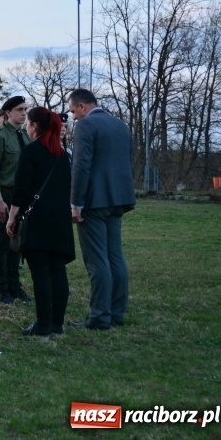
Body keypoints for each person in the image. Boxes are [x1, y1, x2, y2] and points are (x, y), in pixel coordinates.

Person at [67, 89, 136, 330]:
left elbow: (81, 165)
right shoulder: (121, 126)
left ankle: (99, 316)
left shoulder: (86, 126)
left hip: (94, 202)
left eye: (73, 111)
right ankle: (116, 312)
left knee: (97, 260)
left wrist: (76, 203)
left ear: (82, 107)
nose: (73, 117)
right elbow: (128, 161)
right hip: (118, 198)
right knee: (115, 256)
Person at [5, 107, 74, 336]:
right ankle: (57, 324)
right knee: (58, 272)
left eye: (29, 122)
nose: (26, 125)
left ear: (35, 126)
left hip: (38, 219)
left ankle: (43, 324)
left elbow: (21, 189)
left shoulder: (31, 152)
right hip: (60, 220)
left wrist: (12, 218)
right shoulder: (63, 155)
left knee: (41, 273)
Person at [0, 95, 32, 304]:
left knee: (17, 242)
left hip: (19, 195)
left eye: (25, 109)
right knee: (2, 243)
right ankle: (0, 288)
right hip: (3, 195)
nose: (24, 113)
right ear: (8, 113)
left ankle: (15, 286)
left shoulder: (23, 136)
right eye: (19, 110)